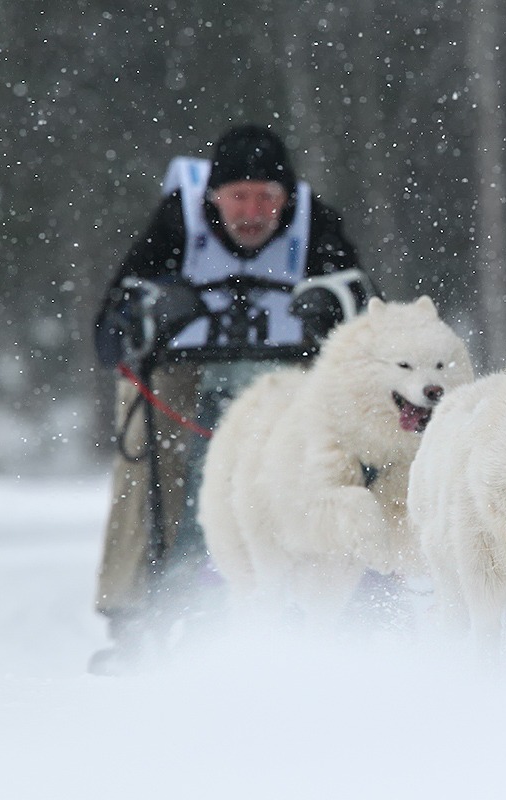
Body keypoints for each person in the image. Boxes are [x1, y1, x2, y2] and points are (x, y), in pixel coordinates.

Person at [90, 124, 375, 674]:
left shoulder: (317, 225)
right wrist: (152, 309)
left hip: (288, 370)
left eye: (266, 197)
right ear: (213, 197)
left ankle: (350, 584)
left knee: (337, 442)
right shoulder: (177, 222)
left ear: (287, 198)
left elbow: (370, 318)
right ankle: (134, 609)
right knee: (147, 445)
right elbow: (108, 336)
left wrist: (330, 310)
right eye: (238, 196)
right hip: (182, 370)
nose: (251, 212)